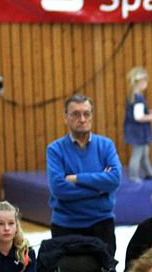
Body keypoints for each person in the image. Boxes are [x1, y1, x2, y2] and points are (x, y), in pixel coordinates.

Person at [47, 94, 122, 256]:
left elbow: (114, 179)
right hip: (66, 225)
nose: (82, 119)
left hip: (101, 223)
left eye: (86, 114)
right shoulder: (55, 149)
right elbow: (59, 189)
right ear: (65, 117)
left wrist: (78, 179)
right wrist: (99, 188)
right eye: (75, 114)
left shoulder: (106, 145)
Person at [122, 66, 152, 182]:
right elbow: (138, 117)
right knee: (137, 153)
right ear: (142, 82)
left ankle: (148, 171)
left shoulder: (134, 96)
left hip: (138, 130)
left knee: (144, 152)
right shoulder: (137, 98)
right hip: (138, 131)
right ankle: (133, 175)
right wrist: (150, 117)